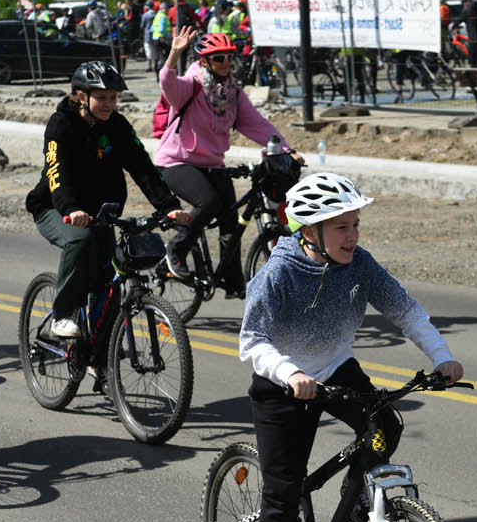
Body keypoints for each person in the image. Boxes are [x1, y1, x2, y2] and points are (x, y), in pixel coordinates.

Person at [237, 172, 464, 522]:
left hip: (336, 368)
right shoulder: (278, 273)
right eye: (342, 227)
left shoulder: (359, 264)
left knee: (386, 423)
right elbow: (253, 341)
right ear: (309, 230)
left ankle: (359, 496)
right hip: (283, 381)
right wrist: (292, 373)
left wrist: (442, 357)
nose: (353, 236)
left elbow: (404, 310)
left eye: (355, 224)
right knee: (283, 490)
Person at [24, 61, 187, 338]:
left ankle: (99, 356)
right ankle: (62, 315)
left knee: (109, 278)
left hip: (101, 213)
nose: (109, 104)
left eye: (113, 97)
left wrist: (169, 206)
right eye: (101, 97)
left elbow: (142, 168)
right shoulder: (61, 124)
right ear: (80, 96)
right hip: (56, 207)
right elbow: (56, 172)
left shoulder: (117, 126)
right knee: (80, 240)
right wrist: (71, 208)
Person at [156, 28, 297, 289]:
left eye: (228, 57)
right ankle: (174, 251)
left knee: (230, 219)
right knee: (208, 202)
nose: (226, 62)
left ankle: (230, 279)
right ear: (204, 61)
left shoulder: (233, 93)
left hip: (212, 164)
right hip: (176, 162)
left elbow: (258, 125)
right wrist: (175, 52)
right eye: (218, 57)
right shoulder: (191, 85)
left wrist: (287, 150)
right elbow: (167, 82)